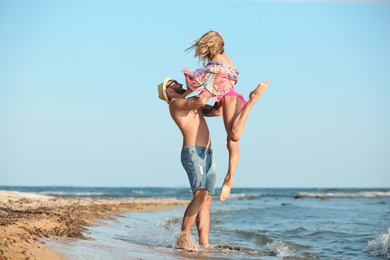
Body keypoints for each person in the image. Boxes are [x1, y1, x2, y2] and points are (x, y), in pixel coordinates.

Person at [183, 30, 269, 201]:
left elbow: (198, 83)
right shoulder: (226, 58)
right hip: (230, 100)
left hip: (230, 100)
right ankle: (229, 178)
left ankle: (253, 99)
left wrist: (180, 96)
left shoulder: (215, 63)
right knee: (232, 143)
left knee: (234, 135)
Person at [157, 77, 216, 252]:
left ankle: (204, 244)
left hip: (208, 153)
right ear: (168, 91)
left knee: (206, 200)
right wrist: (211, 80)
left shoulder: (190, 102)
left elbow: (216, 112)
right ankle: (184, 237)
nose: (179, 83)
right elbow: (201, 100)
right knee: (200, 195)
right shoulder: (175, 104)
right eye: (174, 82)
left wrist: (224, 91)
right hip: (193, 153)